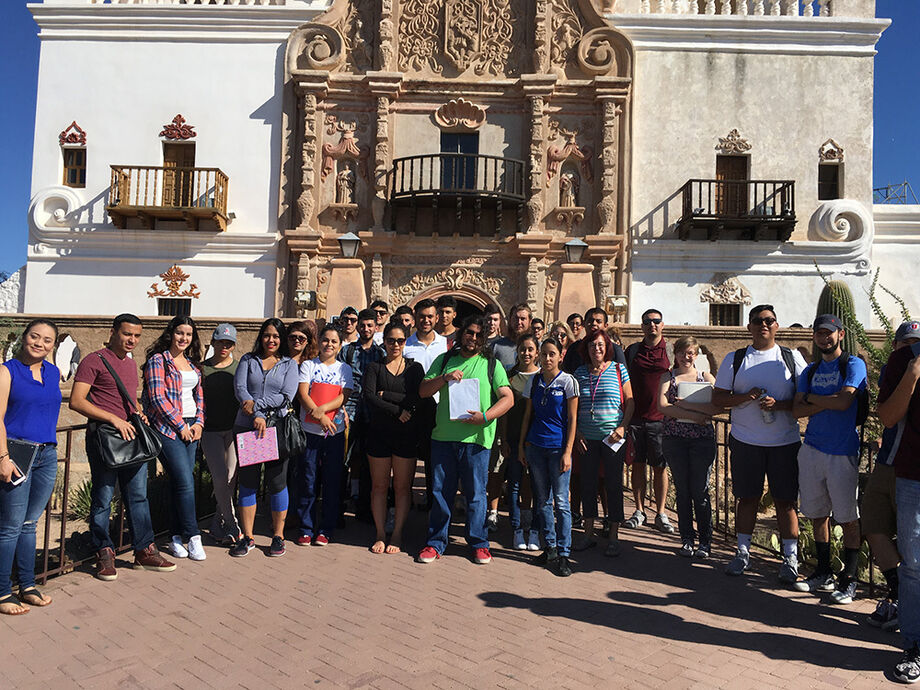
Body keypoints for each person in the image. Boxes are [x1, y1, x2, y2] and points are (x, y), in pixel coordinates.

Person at [70, 314, 176, 580]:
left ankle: (144, 551)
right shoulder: (93, 360)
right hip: (105, 438)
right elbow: (77, 401)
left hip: (131, 438)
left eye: (137, 336)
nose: (132, 340)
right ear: (113, 332)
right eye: (127, 334)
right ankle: (104, 552)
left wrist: (137, 412)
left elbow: (126, 399)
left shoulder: (130, 364)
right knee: (103, 498)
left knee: (138, 497)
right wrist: (113, 418)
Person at [712, 304, 807, 581]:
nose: (764, 325)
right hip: (746, 441)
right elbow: (718, 399)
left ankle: (790, 558)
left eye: (769, 320)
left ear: (777, 326)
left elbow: (805, 401)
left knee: (785, 501)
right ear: (749, 327)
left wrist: (779, 405)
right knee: (747, 498)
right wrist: (746, 398)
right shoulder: (736, 359)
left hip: (784, 442)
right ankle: (743, 552)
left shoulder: (791, 359)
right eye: (758, 321)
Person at [416, 315, 514, 565]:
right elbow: (423, 391)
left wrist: (486, 416)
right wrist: (444, 378)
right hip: (443, 438)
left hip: (477, 440)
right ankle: (435, 542)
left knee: (476, 495)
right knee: (440, 492)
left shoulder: (491, 364)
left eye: (479, 335)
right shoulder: (445, 360)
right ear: (462, 334)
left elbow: (507, 398)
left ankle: (479, 543)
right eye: (469, 333)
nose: (473, 338)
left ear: (484, 339)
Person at [791, 314, 868, 603]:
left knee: (848, 517)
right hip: (811, 449)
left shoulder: (853, 364)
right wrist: (828, 401)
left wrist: (812, 399)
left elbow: (846, 401)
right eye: (819, 334)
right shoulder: (809, 372)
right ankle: (822, 572)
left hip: (842, 451)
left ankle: (850, 579)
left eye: (829, 333)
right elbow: (796, 412)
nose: (824, 338)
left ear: (840, 334)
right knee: (817, 513)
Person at [0, 319, 62, 614]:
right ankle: (1, 591)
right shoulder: (7, 371)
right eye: (34, 337)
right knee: (10, 527)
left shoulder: (53, 372)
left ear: (53, 346)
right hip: (16, 453)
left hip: (46, 455)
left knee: (29, 524)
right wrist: (2, 458)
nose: (40, 343)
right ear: (24, 338)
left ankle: (26, 585)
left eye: (47, 340)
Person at [863, 321, 920, 633]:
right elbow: (887, 414)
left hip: (906, 466)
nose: (909, 346)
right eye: (905, 342)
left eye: (915, 341)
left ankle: (904, 604)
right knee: (872, 524)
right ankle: (899, 596)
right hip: (890, 463)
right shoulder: (897, 367)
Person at [231, 318, 300, 558]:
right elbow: (240, 390)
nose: (271, 340)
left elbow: (286, 396)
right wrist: (256, 413)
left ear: (282, 340)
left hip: (275, 429)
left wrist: (258, 408)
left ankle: (278, 535)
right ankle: (247, 536)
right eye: (267, 335)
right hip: (248, 428)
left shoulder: (289, 365)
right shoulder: (248, 361)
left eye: (276, 336)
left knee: (277, 482)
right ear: (261, 336)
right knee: (248, 482)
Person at [142, 316, 206, 562]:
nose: (184, 338)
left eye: (188, 334)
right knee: (185, 481)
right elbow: (157, 398)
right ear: (171, 334)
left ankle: (176, 536)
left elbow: (199, 396)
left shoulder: (191, 364)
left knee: (179, 485)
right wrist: (180, 426)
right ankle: (194, 536)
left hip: (191, 427)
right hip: (169, 429)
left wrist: (199, 422)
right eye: (180, 333)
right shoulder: (158, 361)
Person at [878, 322, 920, 683]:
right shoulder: (904, 359)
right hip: (914, 478)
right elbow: (888, 417)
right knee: (915, 566)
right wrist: (912, 374)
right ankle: (914, 645)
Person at [519, 336, 579, 577]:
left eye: (552, 354)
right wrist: (523, 445)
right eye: (543, 354)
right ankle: (551, 547)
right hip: (536, 445)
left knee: (562, 502)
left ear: (560, 356)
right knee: (542, 500)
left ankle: (565, 553)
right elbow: (527, 415)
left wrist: (568, 451)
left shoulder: (568, 382)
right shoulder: (533, 382)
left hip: (557, 449)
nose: (547, 358)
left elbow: (573, 418)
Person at [362, 323, 424, 554]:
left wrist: (385, 395)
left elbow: (416, 398)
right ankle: (380, 533)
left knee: (402, 487)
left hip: (406, 435)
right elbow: (369, 396)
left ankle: (397, 534)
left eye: (400, 340)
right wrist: (398, 410)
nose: (395, 345)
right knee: (379, 486)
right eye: (390, 340)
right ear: (384, 341)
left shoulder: (414, 369)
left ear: (405, 342)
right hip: (379, 434)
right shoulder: (374, 368)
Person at [572, 328, 633, 557]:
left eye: (600, 344)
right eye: (591, 345)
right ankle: (588, 534)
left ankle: (613, 536)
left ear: (606, 347)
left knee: (613, 485)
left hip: (613, 438)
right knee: (587, 484)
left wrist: (623, 426)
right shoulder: (579, 372)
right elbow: (574, 406)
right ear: (586, 349)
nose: (596, 348)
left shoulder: (619, 369)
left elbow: (630, 401)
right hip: (586, 438)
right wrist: (576, 431)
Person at [657, 335, 719, 558]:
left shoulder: (706, 377)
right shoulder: (668, 377)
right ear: (677, 354)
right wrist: (694, 415)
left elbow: (716, 406)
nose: (686, 356)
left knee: (700, 491)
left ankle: (705, 541)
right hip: (676, 440)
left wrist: (687, 406)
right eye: (682, 352)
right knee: (682, 491)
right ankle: (686, 539)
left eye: (691, 352)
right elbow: (663, 406)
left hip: (701, 440)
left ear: (696, 354)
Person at [295, 324, 353, 546]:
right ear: (319, 342)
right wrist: (319, 416)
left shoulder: (343, 369)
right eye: (325, 340)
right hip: (310, 432)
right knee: (308, 481)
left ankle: (325, 529)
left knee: (331, 481)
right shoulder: (308, 365)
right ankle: (306, 528)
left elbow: (343, 397)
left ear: (340, 345)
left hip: (334, 433)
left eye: (334, 341)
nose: (329, 344)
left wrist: (324, 414)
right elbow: (302, 393)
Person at [623, 309, 674, 534]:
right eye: (647, 322)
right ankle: (639, 510)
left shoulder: (670, 350)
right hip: (636, 417)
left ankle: (661, 512)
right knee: (637, 466)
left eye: (656, 321)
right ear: (642, 326)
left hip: (661, 418)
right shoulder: (633, 350)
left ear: (662, 325)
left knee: (660, 467)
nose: (652, 325)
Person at [492, 334, 540, 549]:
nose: (526, 353)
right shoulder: (509, 376)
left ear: (536, 352)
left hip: (537, 440)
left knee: (534, 483)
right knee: (513, 482)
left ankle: (530, 518)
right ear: (517, 351)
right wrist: (503, 438)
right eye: (523, 349)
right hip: (512, 436)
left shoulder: (544, 376)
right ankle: (516, 525)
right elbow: (503, 411)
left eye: (530, 349)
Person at [338, 309, 384, 523]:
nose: (365, 329)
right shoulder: (346, 351)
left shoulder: (382, 353)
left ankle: (365, 509)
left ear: (376, 327)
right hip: (349, 410)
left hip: (373, 413)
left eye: (369, 325)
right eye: (362, 325)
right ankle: (336, 508)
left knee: (369, 462)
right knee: (342, 460)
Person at [404, 299, 449, 509]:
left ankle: (433, 506)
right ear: (415, 317)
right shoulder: (405, 344)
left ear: (436, 318)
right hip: (410, 408)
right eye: (422, 316)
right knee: (406, 460)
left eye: (430, 316)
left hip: (438, 409)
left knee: (434, 462)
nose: (426, 320)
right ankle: (403, 505)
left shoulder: (446, 345)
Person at [200, 323, 242, 546]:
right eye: (220, 342)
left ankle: (218, 525)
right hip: (210, 431)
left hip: (234, 431)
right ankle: (233, 525)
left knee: (230, 479)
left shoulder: (239, 368)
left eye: (228, 343)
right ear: (213, 342)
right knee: (219, 478)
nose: (224, 346)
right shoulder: (202, 369)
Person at [562, 307, 626, 375]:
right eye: (590, 320)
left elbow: (623, 378)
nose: (594, 323)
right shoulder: (574, 348)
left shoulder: (615, 350)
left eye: (598, 321)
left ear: (605, 326)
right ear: (584, 323)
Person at [487, 303, 532, 372]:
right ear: (510, 320)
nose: (519, 322)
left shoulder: (539, 348)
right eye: (516, 318)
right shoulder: (496, 346)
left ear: (530, 321)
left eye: (523, 319)